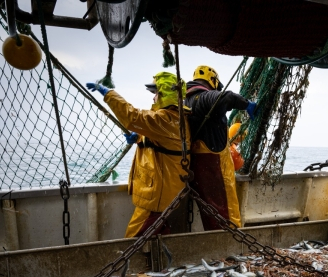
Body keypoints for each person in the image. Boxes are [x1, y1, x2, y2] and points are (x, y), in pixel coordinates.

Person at [86, 72, 190, 238]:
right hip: (164, 191)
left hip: (157, 195)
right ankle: (161, 263)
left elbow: (132, 117)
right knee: (158, 233)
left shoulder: (167, 118)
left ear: (165, 93)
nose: (153, 98)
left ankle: (135, 264)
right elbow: (164, 143)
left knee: (133, 238)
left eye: (156, 93)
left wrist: (109, 94)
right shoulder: (176, 118)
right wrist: (140, 139)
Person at [184, 65, 257, 230]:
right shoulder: (204, 97)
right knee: (225, 210)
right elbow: (225, 97)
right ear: (212, 81)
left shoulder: (185, 101)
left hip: (196, 164)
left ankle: (216, 245)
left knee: (210, 210)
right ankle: (229, 246)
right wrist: (247, 105)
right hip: (213, 163)